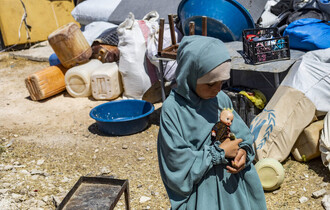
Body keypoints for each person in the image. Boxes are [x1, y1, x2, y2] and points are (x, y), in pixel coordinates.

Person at [157, 35, 267, 210]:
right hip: (201, 193)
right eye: (210, 84)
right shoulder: (173, 109)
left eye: (221, 83)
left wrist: (243, 153)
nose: (217, 89)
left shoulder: (221, 99)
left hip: (232, 186)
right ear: (190, 77)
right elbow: (175, 162)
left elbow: (242, 134)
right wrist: (218, 153)